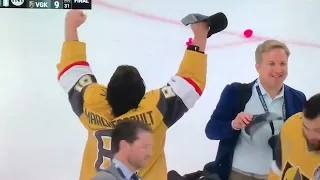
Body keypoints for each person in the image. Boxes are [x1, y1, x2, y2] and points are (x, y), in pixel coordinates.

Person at [57, 10, 210, 180]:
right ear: (141, 97)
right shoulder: (155, 110)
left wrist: (71, 25)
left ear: (107, 92)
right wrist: (201, 33)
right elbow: (189, 82)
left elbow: (73, 71)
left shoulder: (92, 103)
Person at [204, 40, 307, 180]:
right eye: (271, 64)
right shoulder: (236, 93)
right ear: (258, 67)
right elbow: (211, 131)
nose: (278, 69)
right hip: (238, 174)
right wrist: (234, 124)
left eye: (283, 64)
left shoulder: (298, 98)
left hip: (277, 176)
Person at [268, 93, 320, 180]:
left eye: (318, 130)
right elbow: (277, 168)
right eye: (305, 127)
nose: (311, 136)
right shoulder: (292, 124)